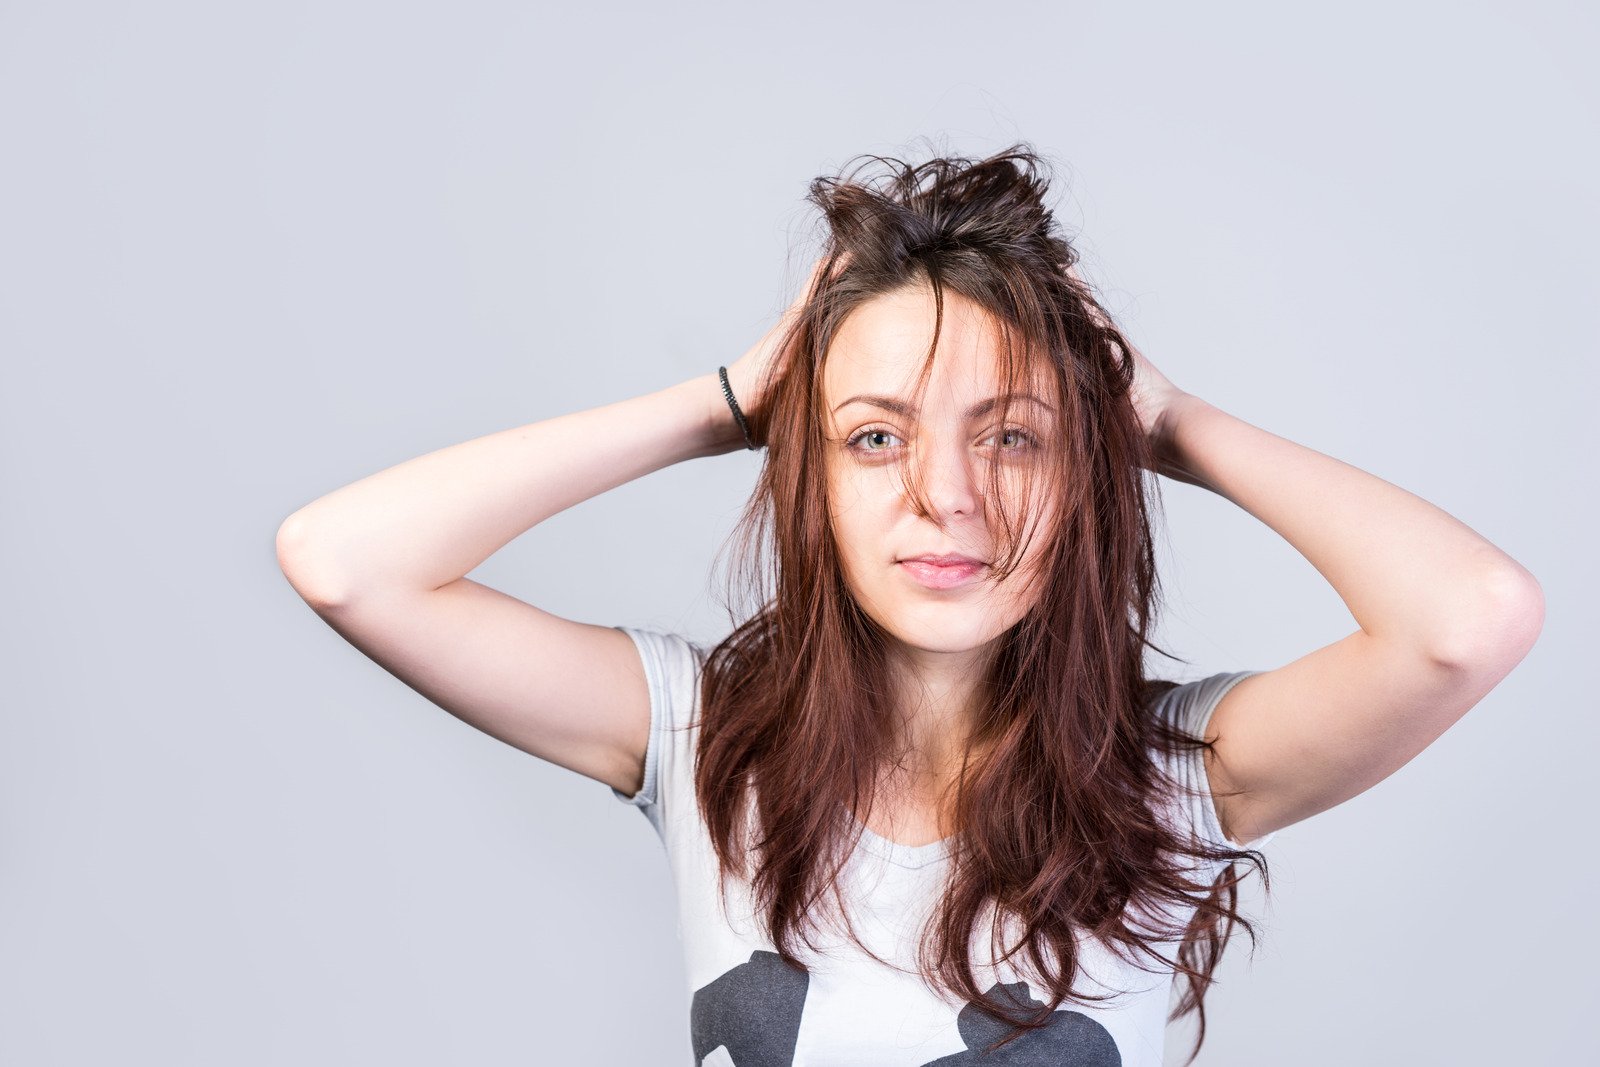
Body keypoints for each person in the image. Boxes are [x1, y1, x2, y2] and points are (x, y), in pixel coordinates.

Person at [275, 144, 1544, 1066]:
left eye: (1014, 440)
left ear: (1082, 478)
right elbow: (344, 559)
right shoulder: (700, 734)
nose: (947, 496)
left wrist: (1160, 419)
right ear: (809, 478)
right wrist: (729, 399)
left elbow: (1468, 615)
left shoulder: (1180, 773)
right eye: (875, 438)